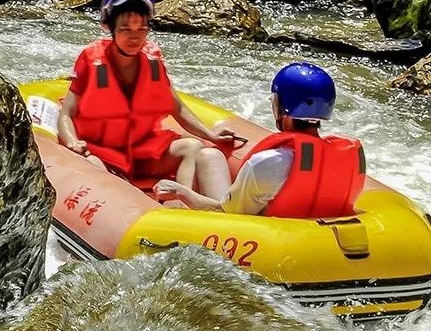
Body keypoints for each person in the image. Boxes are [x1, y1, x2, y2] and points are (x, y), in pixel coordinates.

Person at [57, 0, 235, 196]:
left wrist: (210, 135)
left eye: (142, 28)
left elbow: (178, 109)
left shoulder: (153, 62)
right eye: (125, 29)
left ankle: (181, 203)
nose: (135, 37)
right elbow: (66, 114)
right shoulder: (91, 61)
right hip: (101, 152)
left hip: (142, 152)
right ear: (108, 26)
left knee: (192, 147)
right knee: (92, 164)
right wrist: (73, 142)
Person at [153, 62, 366, 217]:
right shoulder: (354, 158)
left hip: (263, 236)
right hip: (316, 239)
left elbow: (225, 214)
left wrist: (181, 193)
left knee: (206, 158)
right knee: (209, 156)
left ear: (281, 108)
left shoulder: (269, 163)